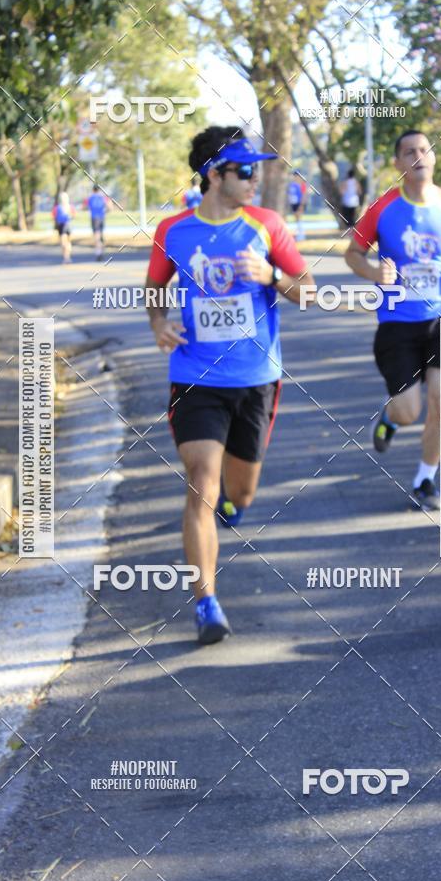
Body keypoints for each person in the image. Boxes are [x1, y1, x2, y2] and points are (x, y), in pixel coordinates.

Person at [145, 126, 314, 644]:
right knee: (201, 483)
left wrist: (270, 277)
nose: (255, 178)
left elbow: (308, 292)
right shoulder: (174, 231)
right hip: (195, 376)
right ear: (214, 175)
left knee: (238, 491)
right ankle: (207, 603)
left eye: (256, 169)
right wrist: (158, 323)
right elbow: (155, 288)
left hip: (256, 379)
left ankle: (231, 506)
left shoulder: (267, 225)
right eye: (245, 170)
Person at [345, 129, 441, 511]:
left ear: (434, 158)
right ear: (398, 164)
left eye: (424, 150)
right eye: (409, 152)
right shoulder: (383, 208)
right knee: (410, 411)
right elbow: (353, 253)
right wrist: (375, 272)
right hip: (398, 322)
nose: (418, 156)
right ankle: (391, 418)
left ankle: (426, 478)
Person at [87, 184, 110, 261]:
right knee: (101, 235)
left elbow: (85, 207)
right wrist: (105, 212)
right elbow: (110, 207)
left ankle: (98, 253)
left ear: (93, 190)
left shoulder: (91, 197)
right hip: (101, 217)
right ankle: (101, 252)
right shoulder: (103, 197)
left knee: (97, 236)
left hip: (94, 218)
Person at [53, 191, 75, 263]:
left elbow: (54, 216)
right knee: (67, 242)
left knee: (64, 243)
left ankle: (66, 257)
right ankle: (67, 257)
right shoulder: (66, 207)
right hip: (65, 225)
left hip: (64, 225)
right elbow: (73, 216)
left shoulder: (59, 207)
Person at [287, 171, 306, 241]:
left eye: (296, 175)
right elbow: (290, 194)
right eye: (294, 176)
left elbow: (304, 195)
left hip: (299, 203)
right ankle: (299, 235)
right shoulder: (291, 184)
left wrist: (302, 205)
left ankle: (301, 236)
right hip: (293, 204)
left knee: (299, 218)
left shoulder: (302, 184)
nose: (295, 177)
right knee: (296, 219)